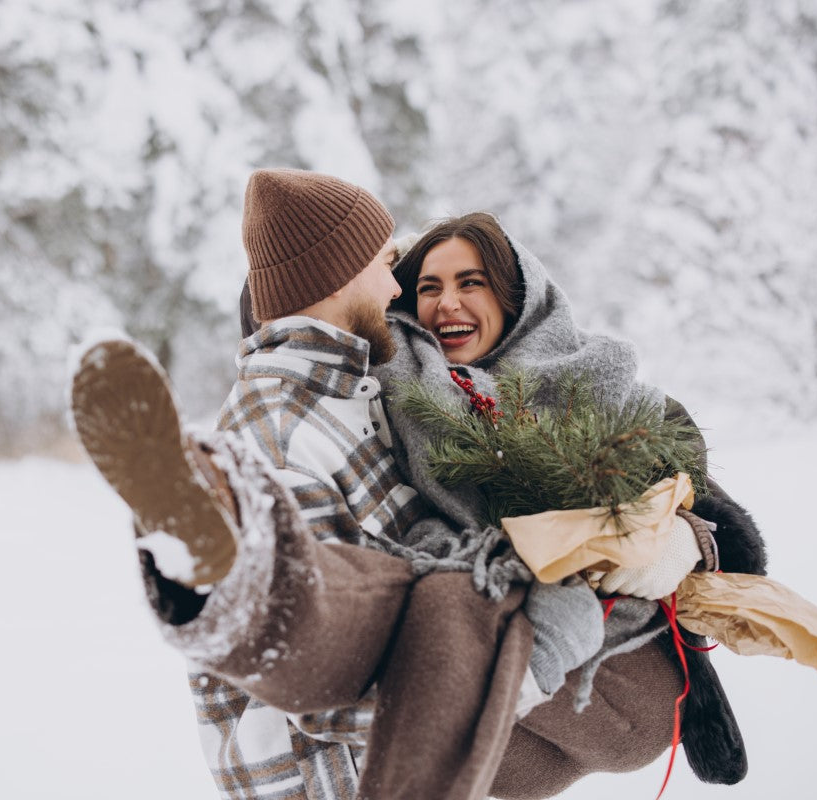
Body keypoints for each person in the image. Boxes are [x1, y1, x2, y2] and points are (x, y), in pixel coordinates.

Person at [71, 169, 760, 799]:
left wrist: (679, 537)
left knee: (407, 593)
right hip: (341, 780)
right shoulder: (286, 426)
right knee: (350, 603)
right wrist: (530, 654)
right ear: (340, 273)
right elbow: (327, 691)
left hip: (455, 745)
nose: (398, 287)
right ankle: (228, 565)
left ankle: (229, 560)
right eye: (386, 266)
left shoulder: (369, 393)